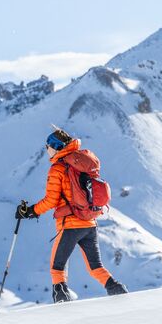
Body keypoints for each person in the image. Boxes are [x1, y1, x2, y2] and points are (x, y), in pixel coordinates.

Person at [16, 127, 128, 303]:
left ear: (56, 147)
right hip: (89, 223)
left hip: (69, 225)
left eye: (48, 146)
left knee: (57, 268)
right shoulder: (82, 162)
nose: (47, 150)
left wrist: (30, 211)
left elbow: (52, 200)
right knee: (96, 267)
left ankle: (62, 305)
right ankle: (118, 291)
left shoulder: (58, 168)